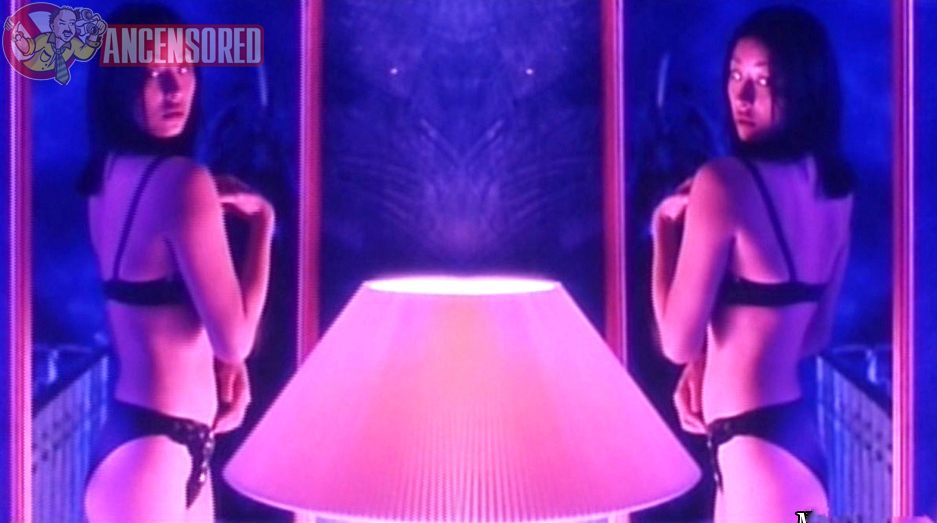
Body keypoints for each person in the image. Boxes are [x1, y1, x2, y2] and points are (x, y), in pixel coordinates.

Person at [650, 6, 853, 521]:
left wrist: (664, 229)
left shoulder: (724, 183)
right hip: (797, 457)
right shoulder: (835, 191)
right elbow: (812, 336)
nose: (742, 96)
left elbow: (675, 342)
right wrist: (713, 361)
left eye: (764, 81)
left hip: (756, 466)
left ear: (804, 89)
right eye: (736, 74)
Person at [80, 4, 274, 522]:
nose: (174, 89)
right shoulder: (182, 182)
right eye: (153, 73)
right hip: (154, 459)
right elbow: (235, 338)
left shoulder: (106, 178)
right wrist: (264, 224)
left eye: (184, 68)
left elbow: (165, 314)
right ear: (120, 85)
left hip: (142, 447)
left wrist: (226, 368)